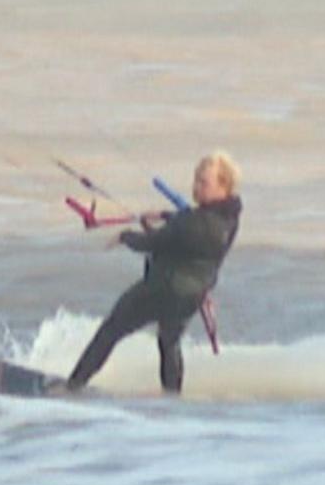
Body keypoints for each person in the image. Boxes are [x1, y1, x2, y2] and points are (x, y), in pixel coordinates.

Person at [64, 152, 242, 397]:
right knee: (169, 341)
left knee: (112, 328)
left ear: (224, 186)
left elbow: (155, 241)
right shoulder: (229, 219)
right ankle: (172, 398)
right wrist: (167, 216)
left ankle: (72, 386)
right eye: (196, 180)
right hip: (192, 296)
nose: (196, 187)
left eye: (204, 183)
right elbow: (186, 226)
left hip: (165, 288)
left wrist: (126, 237)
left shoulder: (196, 224)